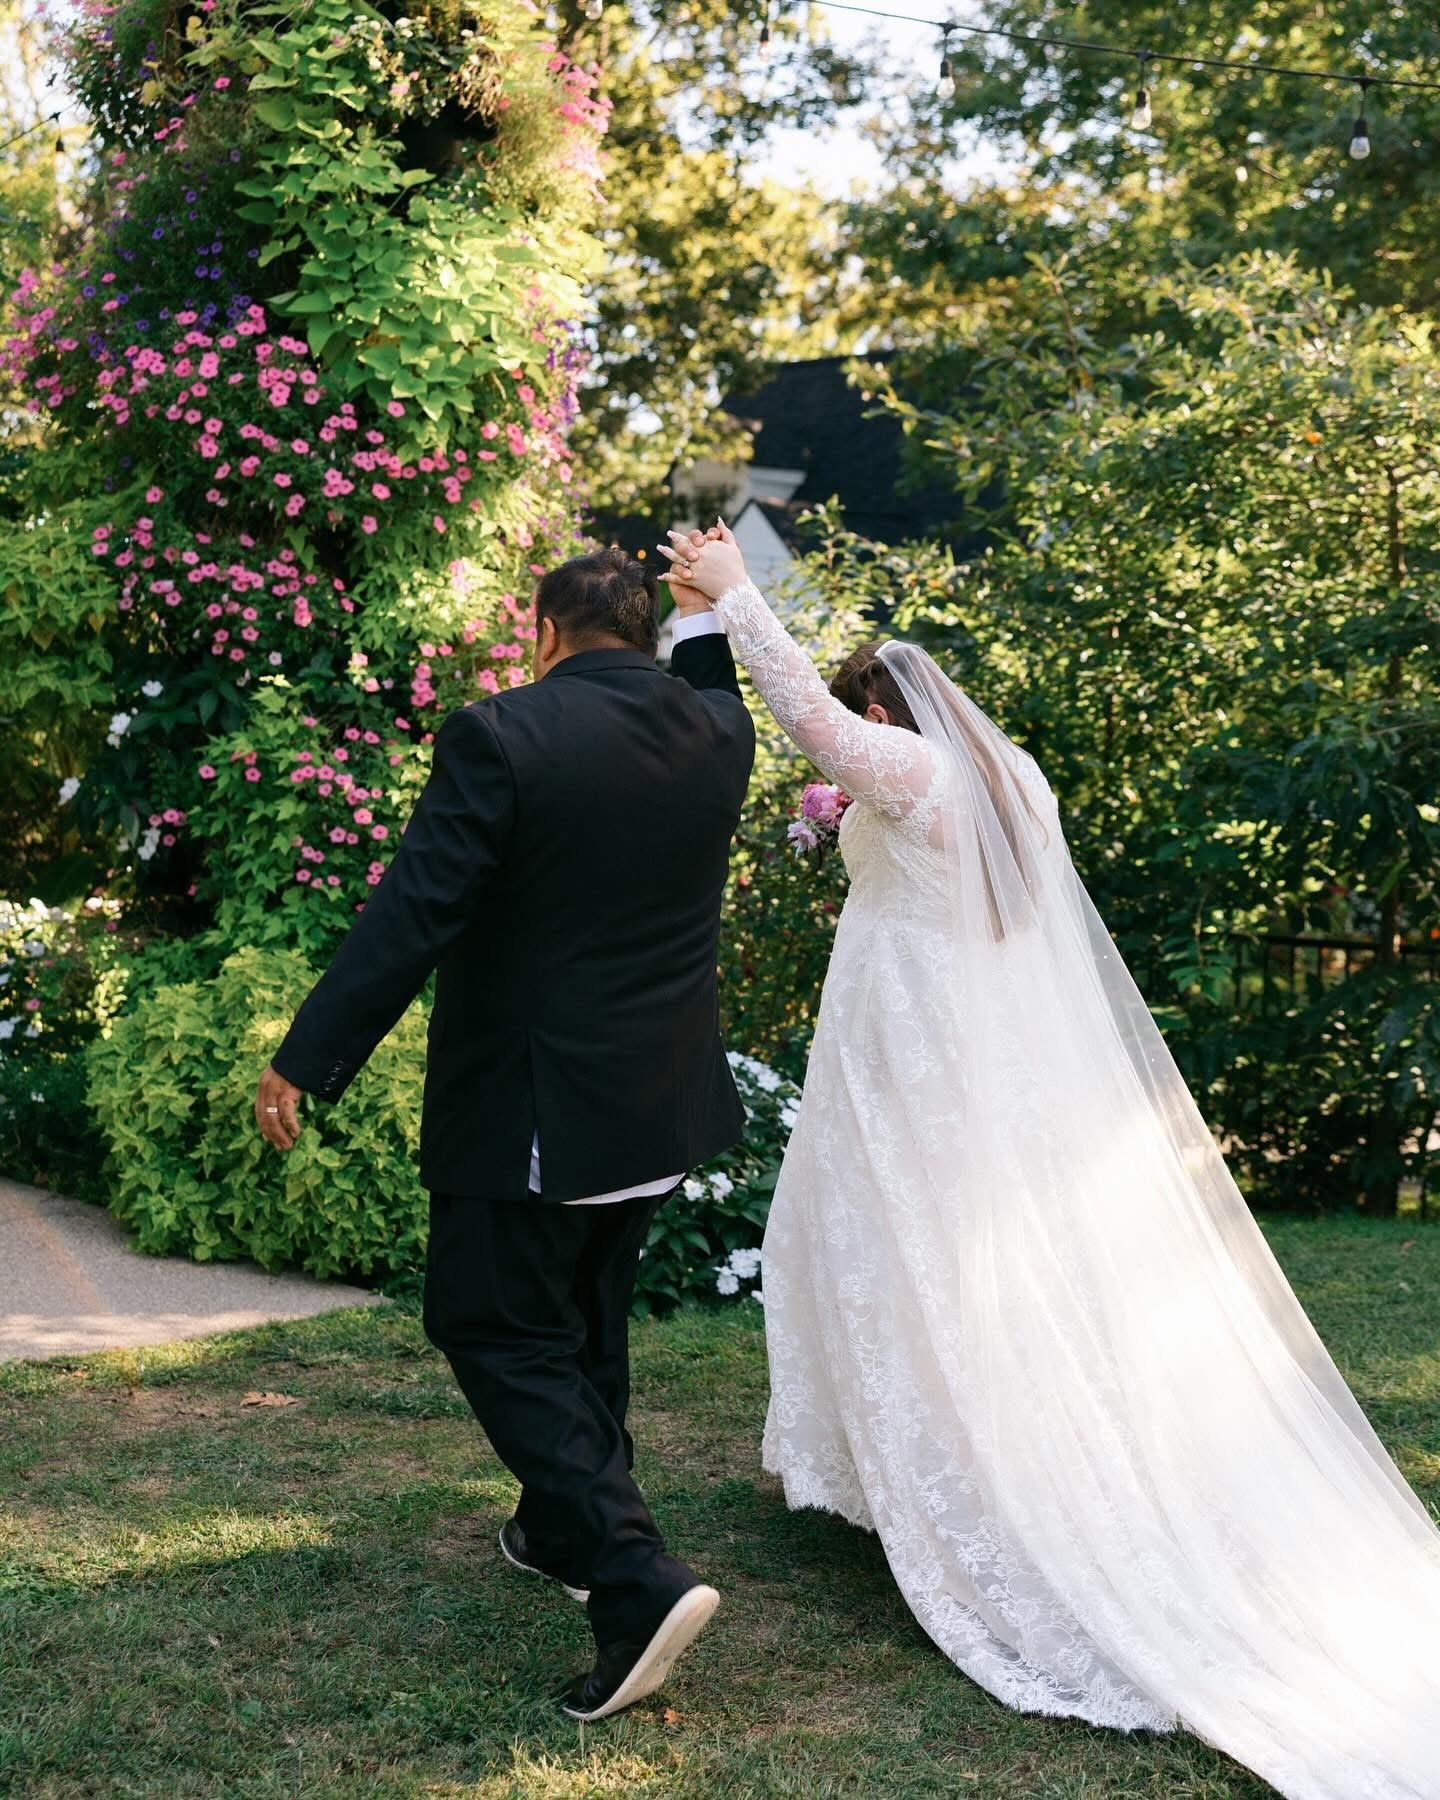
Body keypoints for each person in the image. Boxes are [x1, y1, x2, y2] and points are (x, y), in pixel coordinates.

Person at [660, 521, 1440, 1800]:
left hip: (918, 1061)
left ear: (894, 709)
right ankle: (886, 1470)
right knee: (876, 1251)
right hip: (936, 1046)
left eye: (874, 712)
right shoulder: (1008, 776)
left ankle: (978, 1487)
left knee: (918, 1260)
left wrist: (745, 599)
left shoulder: (919, 772)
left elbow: (809, 724)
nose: (869, 737)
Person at [253, 546, 755, 1721]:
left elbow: (418, 906)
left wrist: (309, 1052)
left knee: (491, 1322)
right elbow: (718, 672)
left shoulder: (502, 734)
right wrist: (709, 606)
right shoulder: (717, 733)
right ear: (645, 633)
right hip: (660, 1103)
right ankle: (557, 1530)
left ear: (544, 631)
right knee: (583, 1313)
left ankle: (633, 1576)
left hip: (544, 1105)